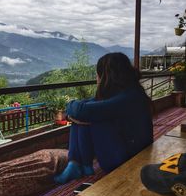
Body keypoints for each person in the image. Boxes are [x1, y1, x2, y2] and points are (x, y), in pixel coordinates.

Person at [54, 52, 153, 184]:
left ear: (107, 75)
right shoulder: (126, 92)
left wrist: (71, 107)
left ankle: (80, 165)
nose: (96, 77)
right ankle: (76, 165)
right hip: (129, 150)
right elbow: (87, 106)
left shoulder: (130, 97)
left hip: (131, 159)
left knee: (94, 118)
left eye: (98, 73)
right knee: (89, 115)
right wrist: (76, 110)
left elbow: (83, 110)